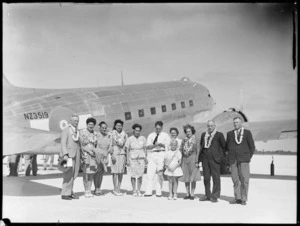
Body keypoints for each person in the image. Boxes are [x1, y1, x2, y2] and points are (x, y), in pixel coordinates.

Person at [226, 117, 255, 206]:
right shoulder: (230, 134)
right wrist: (229, 158)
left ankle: (244, 198)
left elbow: (252, 147)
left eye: (237, 122)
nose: (235, 124)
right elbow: (226, 148)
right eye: (234, 123)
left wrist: (247, 157)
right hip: (233, 160)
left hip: (244, 160)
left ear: (241, 123)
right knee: (235, 179)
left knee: (244, 179)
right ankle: (237, 197)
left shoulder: (247, 133)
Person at [198, 120, 226, 203]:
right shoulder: (204, 134)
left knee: (216, 178)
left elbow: (224, 146)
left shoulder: (219, 135)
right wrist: (199, 159)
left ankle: (215, 195)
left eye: (211, 126)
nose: (210, 127)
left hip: (215, 159)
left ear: (214, 126)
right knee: (206, 178)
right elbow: (201, 146)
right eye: (208, 126)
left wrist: (221, 157)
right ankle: (207, 194)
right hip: (205, 158)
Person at [144, 121, 171, 197]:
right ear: (155, 127)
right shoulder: (151, 135)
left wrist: (161, 144)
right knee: (150, 173)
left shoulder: (165, 135)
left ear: (162, 128)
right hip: (153, 154)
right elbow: (147, 147)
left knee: (159, 174)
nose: (158, 130)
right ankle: (148, 192)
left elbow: (168, 146)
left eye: (159, 128)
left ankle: (158, 192)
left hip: (161, 154)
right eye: (156, 128)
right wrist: (154, 145)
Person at [60, 114, 81, 200]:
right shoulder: (66, 130)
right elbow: (63, 143)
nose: (76, 122)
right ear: (71, 121)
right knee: (67, 174)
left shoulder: (77, 131)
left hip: (76, 155)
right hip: (68, 155)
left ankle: (70, 192)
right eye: (75, 121)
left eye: (77, 121)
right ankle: (64, 193)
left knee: (74, 174)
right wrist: (65, 154)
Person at [179, 124, 201, 200]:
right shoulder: (184, 140)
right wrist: (180, 160)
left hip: (193, 159)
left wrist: (197, 161)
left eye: (189, 131)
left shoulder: (196, 139)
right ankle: (187, 193)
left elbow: (198, 151)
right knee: (186, 177)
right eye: (187, 131)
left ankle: (192, 193)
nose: (188, 133)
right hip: (185, 159)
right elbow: (181, 150)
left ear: (192, 131)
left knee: (193, 177)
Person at [125, 124, 147, 197]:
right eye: (136, 130)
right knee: (133, 175)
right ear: (133, 131)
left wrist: (146, 158)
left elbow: (145, 148)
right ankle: (134, 190)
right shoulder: (130, 139)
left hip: (141, 158)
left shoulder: (143, 138)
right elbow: (127, 149)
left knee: (140, 175)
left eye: (139, 131)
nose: (138, 132)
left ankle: (139, 190)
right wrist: (127, 160)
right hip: (132, 158)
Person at [79, 117, 98, 198]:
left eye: (92, 125)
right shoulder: (82, 132)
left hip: (93, 156)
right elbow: (81, 145)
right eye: (89, 124)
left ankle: (89, 190)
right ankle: (86, 190)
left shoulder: (95, 133)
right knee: (86, 173)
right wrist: (88, 151)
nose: (91, 126)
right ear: (87, 124)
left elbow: (96, 145)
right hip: (85, 155)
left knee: (91, 174)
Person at [110, 119, 128, 196]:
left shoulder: (125, 134)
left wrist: (127, 157)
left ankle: (118, 188)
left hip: (122, 154)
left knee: (120, 172)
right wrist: (112, 155)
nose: (119, 127)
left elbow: (126, 145)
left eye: (120, 125)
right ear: (115, 126)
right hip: (115, 152)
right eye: (117, 125)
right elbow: (110, 145)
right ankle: (115, 188)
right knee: (114, 172)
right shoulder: (112, 134)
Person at [94, 121, 112, 196]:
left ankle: (99, 188)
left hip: (105, 157)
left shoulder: (108, 136)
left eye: (105, 128)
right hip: (98, 157)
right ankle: (96, 189)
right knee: (96, 173)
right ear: (99, 128)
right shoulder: (96, 135)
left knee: (101, 173)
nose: (104, 129)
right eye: (102, 128)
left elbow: (110, 146)